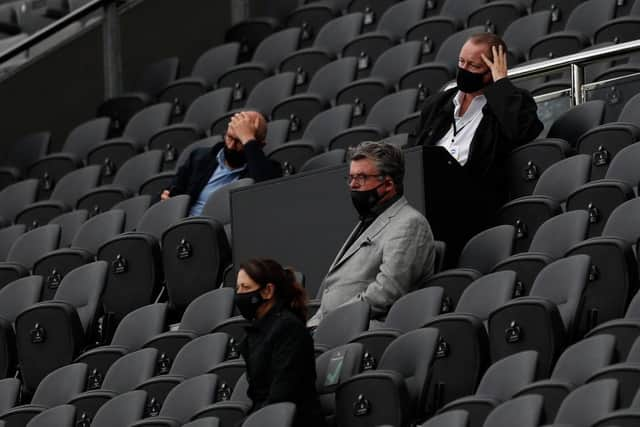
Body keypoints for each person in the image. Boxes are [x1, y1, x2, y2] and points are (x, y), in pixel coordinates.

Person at [410, 32, 543, 266]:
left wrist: (501, 85)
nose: (464, 69)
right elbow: (414, 151)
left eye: (473, 66)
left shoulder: (509, 102)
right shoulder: (438, 104)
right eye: (462, 62)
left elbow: (522, 132)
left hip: (471, 204)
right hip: (425, 199)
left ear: (491, 69)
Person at [307, 141, 435, 328]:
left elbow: (387, 292)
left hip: (363, 330)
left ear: (388, 184)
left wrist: (334, 321)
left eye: (361, 178)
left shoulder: (409, 223)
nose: (353, 185)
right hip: (330, 327)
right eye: (350, 178)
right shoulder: (369, 221)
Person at [234, 258, 326, 427]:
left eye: (246, 288)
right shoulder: (253, 335)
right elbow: (258, 396)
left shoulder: (289, 328)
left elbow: (282, 394)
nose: (240, 294)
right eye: (238, 288)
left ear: (268, 291)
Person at [161, 110, 282, 216]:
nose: (231, 145)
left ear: (259, 145)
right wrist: (166, 199)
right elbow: (170, 191)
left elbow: (266, 195)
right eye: (229, 137)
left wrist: (248, 139)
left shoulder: (270, 169)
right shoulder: (200, 157)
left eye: (240, 141)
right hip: (185, 228)